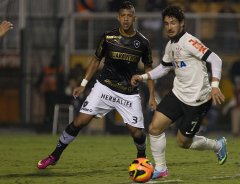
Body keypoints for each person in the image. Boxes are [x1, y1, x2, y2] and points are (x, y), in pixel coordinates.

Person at [37, 1, 156, 169]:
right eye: (123, 16)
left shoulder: (143, 42)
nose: (126, 19)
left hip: (128, 93)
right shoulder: (108, 37)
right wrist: (83, 84)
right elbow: (95, 60)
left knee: (136, 132)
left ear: (134, 18)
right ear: (118, 17)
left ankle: (142, 159)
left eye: (129, 16)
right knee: (79, 121)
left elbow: (149, 69)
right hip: (104, 87)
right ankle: (54, 155)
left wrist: (151, 95)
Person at [131, 5, 227, 179]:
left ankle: (217, 145)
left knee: (183, 142)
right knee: (154, 128)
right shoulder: (170, 45)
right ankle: (161, 169)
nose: (169, 27)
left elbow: (215, 59)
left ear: (182, 24)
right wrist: (143, 77)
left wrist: (215, 85)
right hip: (178, 94)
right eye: (166, 23)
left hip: (197, 100)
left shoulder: (190, 42)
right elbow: (164, 68)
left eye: (173, 23)